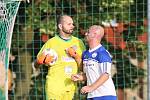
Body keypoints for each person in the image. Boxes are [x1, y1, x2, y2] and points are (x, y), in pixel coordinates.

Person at [34, 15, 85, 100]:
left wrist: (76, 56)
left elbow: (83, 68)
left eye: (72, 24)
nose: (72, 26)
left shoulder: (79, 43)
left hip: (71, 87)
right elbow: (36, 64)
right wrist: (39, 62)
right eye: (69, 24)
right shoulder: (51, 42)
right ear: (60, 26)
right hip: (54, 87)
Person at [71, 25, 117, 100]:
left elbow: (105, 75)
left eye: (88, 32)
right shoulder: (85, 54)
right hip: (92, 95)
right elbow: (91, 75)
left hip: (105, 95)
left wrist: (90, 87)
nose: (86, 34)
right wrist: (81, 77)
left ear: (94, 34)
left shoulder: (103, 53)